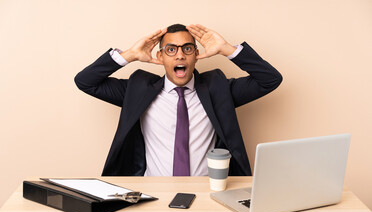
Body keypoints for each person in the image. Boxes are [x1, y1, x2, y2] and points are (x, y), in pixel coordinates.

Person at [74, 24, 282, 177]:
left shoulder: (218, 89)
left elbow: (270, 79)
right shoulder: (138, 90)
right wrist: (129, 54)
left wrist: (226, 48)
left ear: (196, 54)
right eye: (171, 49)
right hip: (154, 193)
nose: (180, 56)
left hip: (208, 193)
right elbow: (86, 82)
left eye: (187, 49)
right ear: (160, 56)